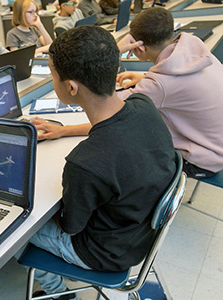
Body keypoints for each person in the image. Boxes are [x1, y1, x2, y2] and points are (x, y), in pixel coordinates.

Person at [25, 25, 176, 298]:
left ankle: (59, 293)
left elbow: (70, 226)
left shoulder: (85, 162)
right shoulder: (143, 105)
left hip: (102, 253)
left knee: (18, 232)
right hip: (138, 233)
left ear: (71, 87)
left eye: (52, 74)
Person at [115, 7, 223, 178]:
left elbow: (108, 105)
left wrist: (115, 51)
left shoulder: (159, 84)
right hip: (217, 144)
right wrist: (144, 77)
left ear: (139, 47)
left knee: (128, 139)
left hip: (205, 161)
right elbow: (178, 84)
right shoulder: (194, 48)